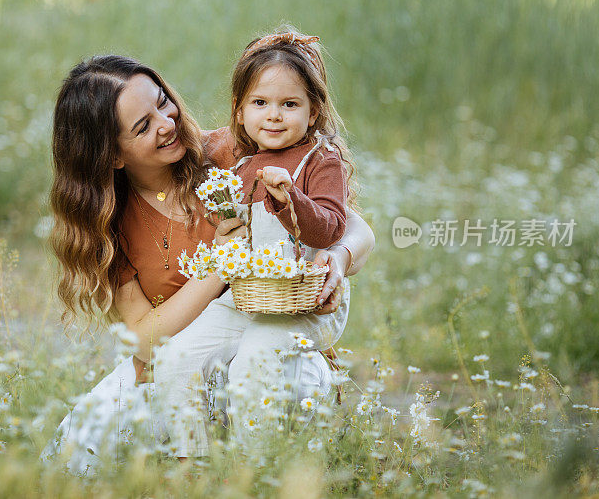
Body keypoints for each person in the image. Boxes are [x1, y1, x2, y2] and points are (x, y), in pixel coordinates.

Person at [40, 55, 375, 473]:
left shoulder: (227, 151)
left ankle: (260, 476)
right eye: (143, 126)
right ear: (112, 156)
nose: (167, 123)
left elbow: (354, 227)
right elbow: (145, 342)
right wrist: (220, 264)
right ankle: (190, 475)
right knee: (77, 453)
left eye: (164, 103)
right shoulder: (108, 225)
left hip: (270, 344)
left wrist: (338, 260)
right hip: (183, 362)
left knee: (262, 389)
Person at [154, 30, 359, 457]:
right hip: (248, 297)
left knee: (255, 360)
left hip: (305, 300)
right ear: (240, 110)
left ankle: (255, 468)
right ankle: (189, 461)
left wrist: (291, 201)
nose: (274, 116)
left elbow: (330, 230)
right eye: (260, 103)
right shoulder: (239, 162)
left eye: (290, 104)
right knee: (176, 357)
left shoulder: (320, 160)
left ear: (313, 110)